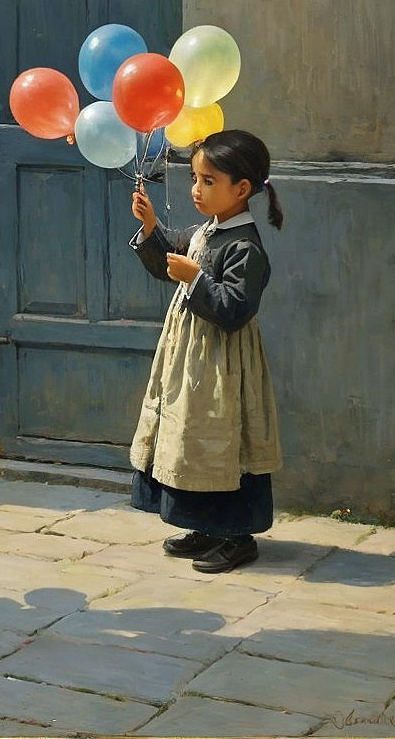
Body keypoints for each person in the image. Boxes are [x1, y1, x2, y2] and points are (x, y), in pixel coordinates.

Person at [128, 129, 284, 574]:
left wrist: (194, 278)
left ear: (242, 189)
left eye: (208, 181)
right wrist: (153, 229)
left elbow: (235, 309)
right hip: (191, 361)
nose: (197, 190)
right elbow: (170, 263)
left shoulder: (245, 247)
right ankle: (203, 524)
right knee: (191, 438)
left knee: (224, 439)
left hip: (223, 366)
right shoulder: (207, 231)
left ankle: (236, 534)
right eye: (195, 179)